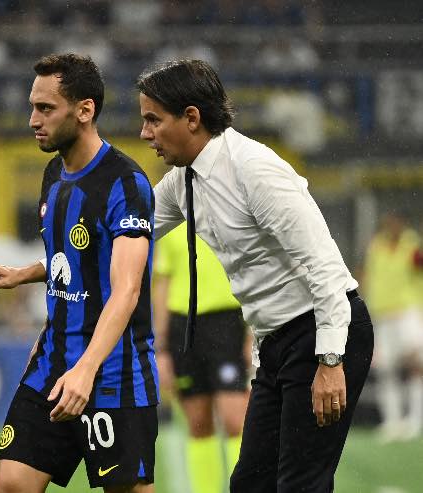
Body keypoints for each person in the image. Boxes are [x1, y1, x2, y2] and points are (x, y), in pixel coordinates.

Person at [137, 59, 374, 492]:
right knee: (250, 484)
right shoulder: (181, 183)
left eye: (153, 119)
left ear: (191, 118)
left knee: (301, 483)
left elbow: (323, 266)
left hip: (321, 330)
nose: (145, 133)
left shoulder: (254, 169)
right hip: (277, 341)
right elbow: (125, 237)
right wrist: (42, 270)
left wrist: (330, 359)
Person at [0, 53, 158, 492]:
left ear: (84, 110)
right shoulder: (53, 173)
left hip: (112, 373)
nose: (32, 119)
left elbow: (126, 289)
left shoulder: (125, 183)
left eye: (45, 108)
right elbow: (78, 261)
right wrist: (24, 273)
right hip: (52, 362)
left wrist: (86, 369)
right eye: (32, 106)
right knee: (10, 484)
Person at [152, 224, 248, 493]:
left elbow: (251, 272)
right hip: (183, 328)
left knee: (234, 419)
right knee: (198, 421)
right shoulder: (171, 221)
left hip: (227, 322)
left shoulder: (229, 216)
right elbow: (162, 282)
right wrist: (161, 349)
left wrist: (253, 331)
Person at [363, 212, 423, 441]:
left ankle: (415, 420)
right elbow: (369, 276)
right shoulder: (376, 246)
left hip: (408, 313)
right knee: (385, 370)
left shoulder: (413, 246)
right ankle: (392, 421)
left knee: (414, 366)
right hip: (382, 314)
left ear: (402, 224)